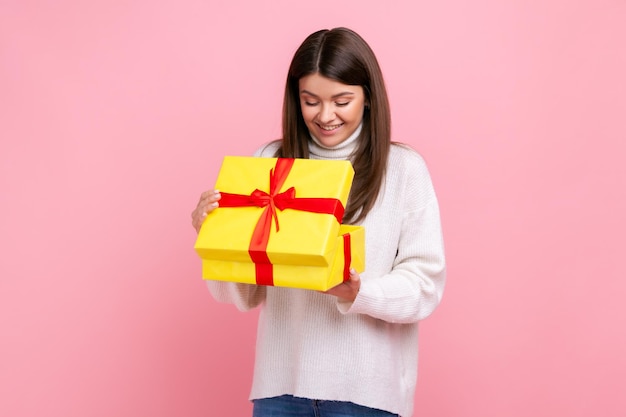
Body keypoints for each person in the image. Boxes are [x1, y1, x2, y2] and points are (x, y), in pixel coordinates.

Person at [191, 27, 446, 417]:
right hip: (280, 390)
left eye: (342, 100)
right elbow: (240, 295)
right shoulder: (269, 163)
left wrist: (358, 292)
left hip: (366, 396)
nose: (325, 116)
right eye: (311, 101)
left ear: (368, 98)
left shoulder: (403, 170)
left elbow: (425, 286)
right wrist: (216, 235)